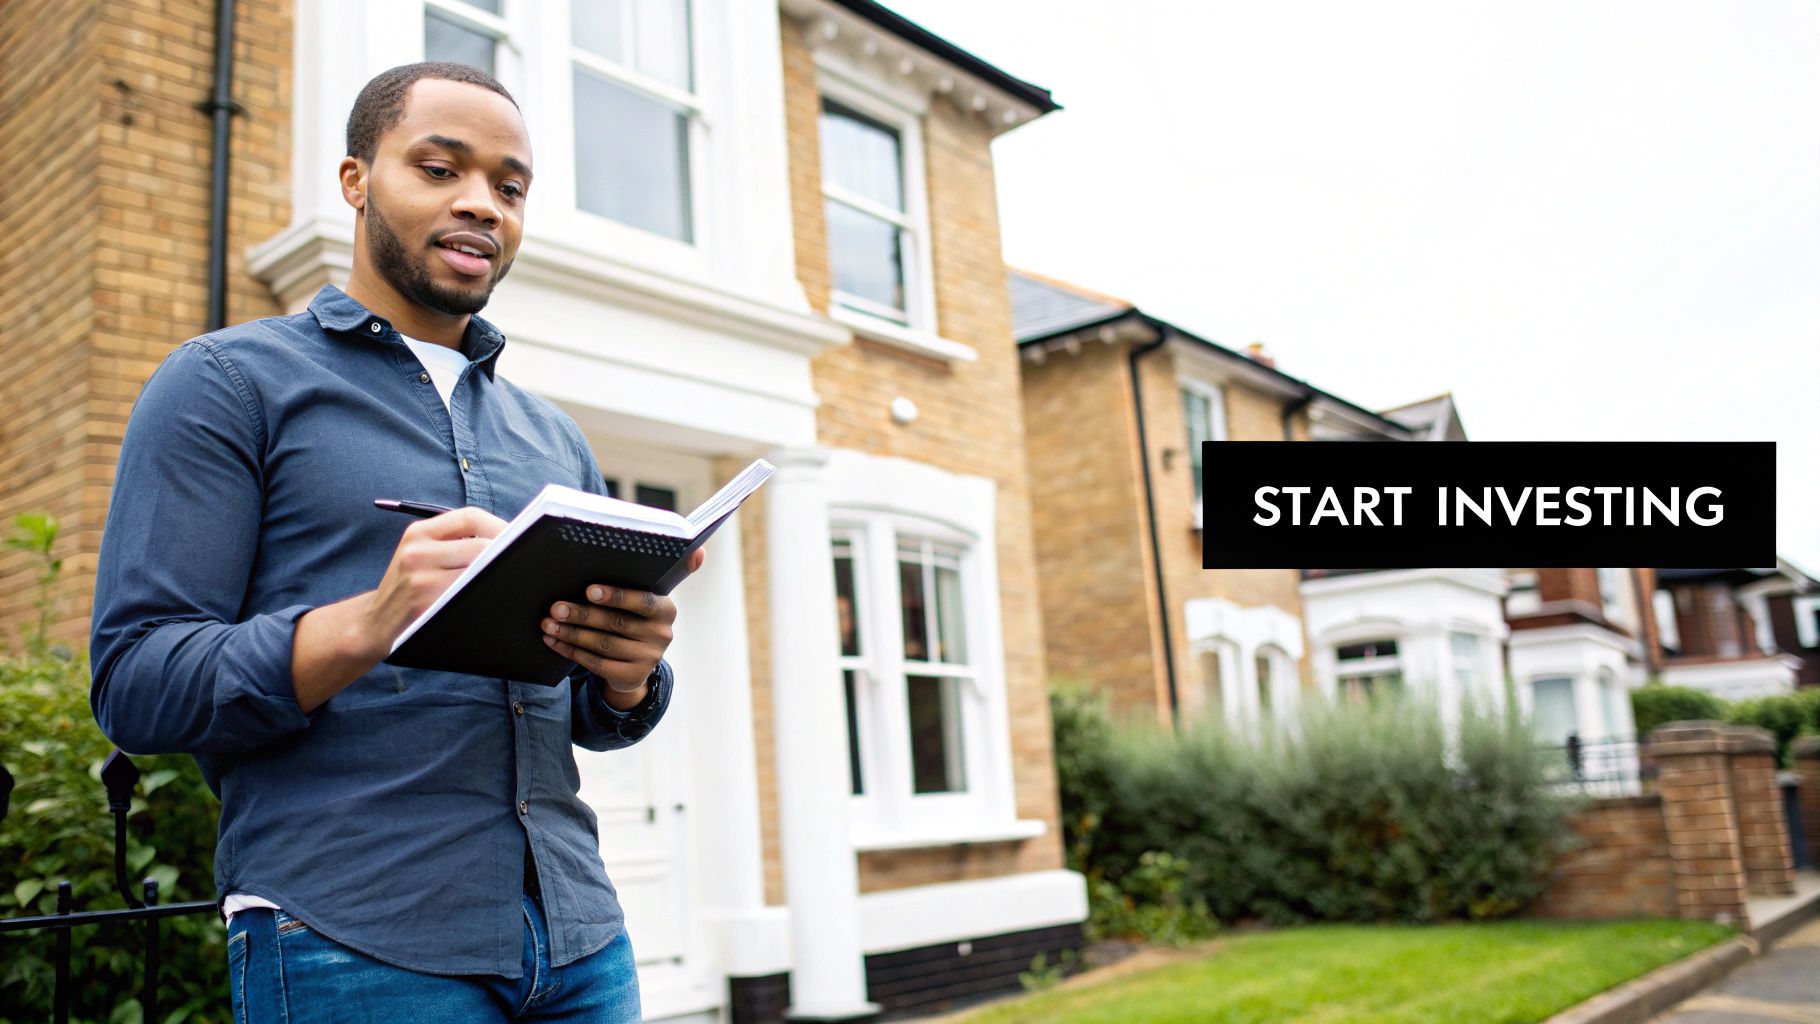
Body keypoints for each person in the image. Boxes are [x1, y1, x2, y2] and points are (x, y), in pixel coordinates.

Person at [88, 62, 691, 1022]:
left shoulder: (555, 439)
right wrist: (368, 621)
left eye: (509, 186)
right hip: (351, 936)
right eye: (439, 168)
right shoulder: (227, 384)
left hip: (579, 942)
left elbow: (584, 709)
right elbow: (134, 683)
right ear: (356, 179)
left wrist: (625, 674)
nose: (482, 205)